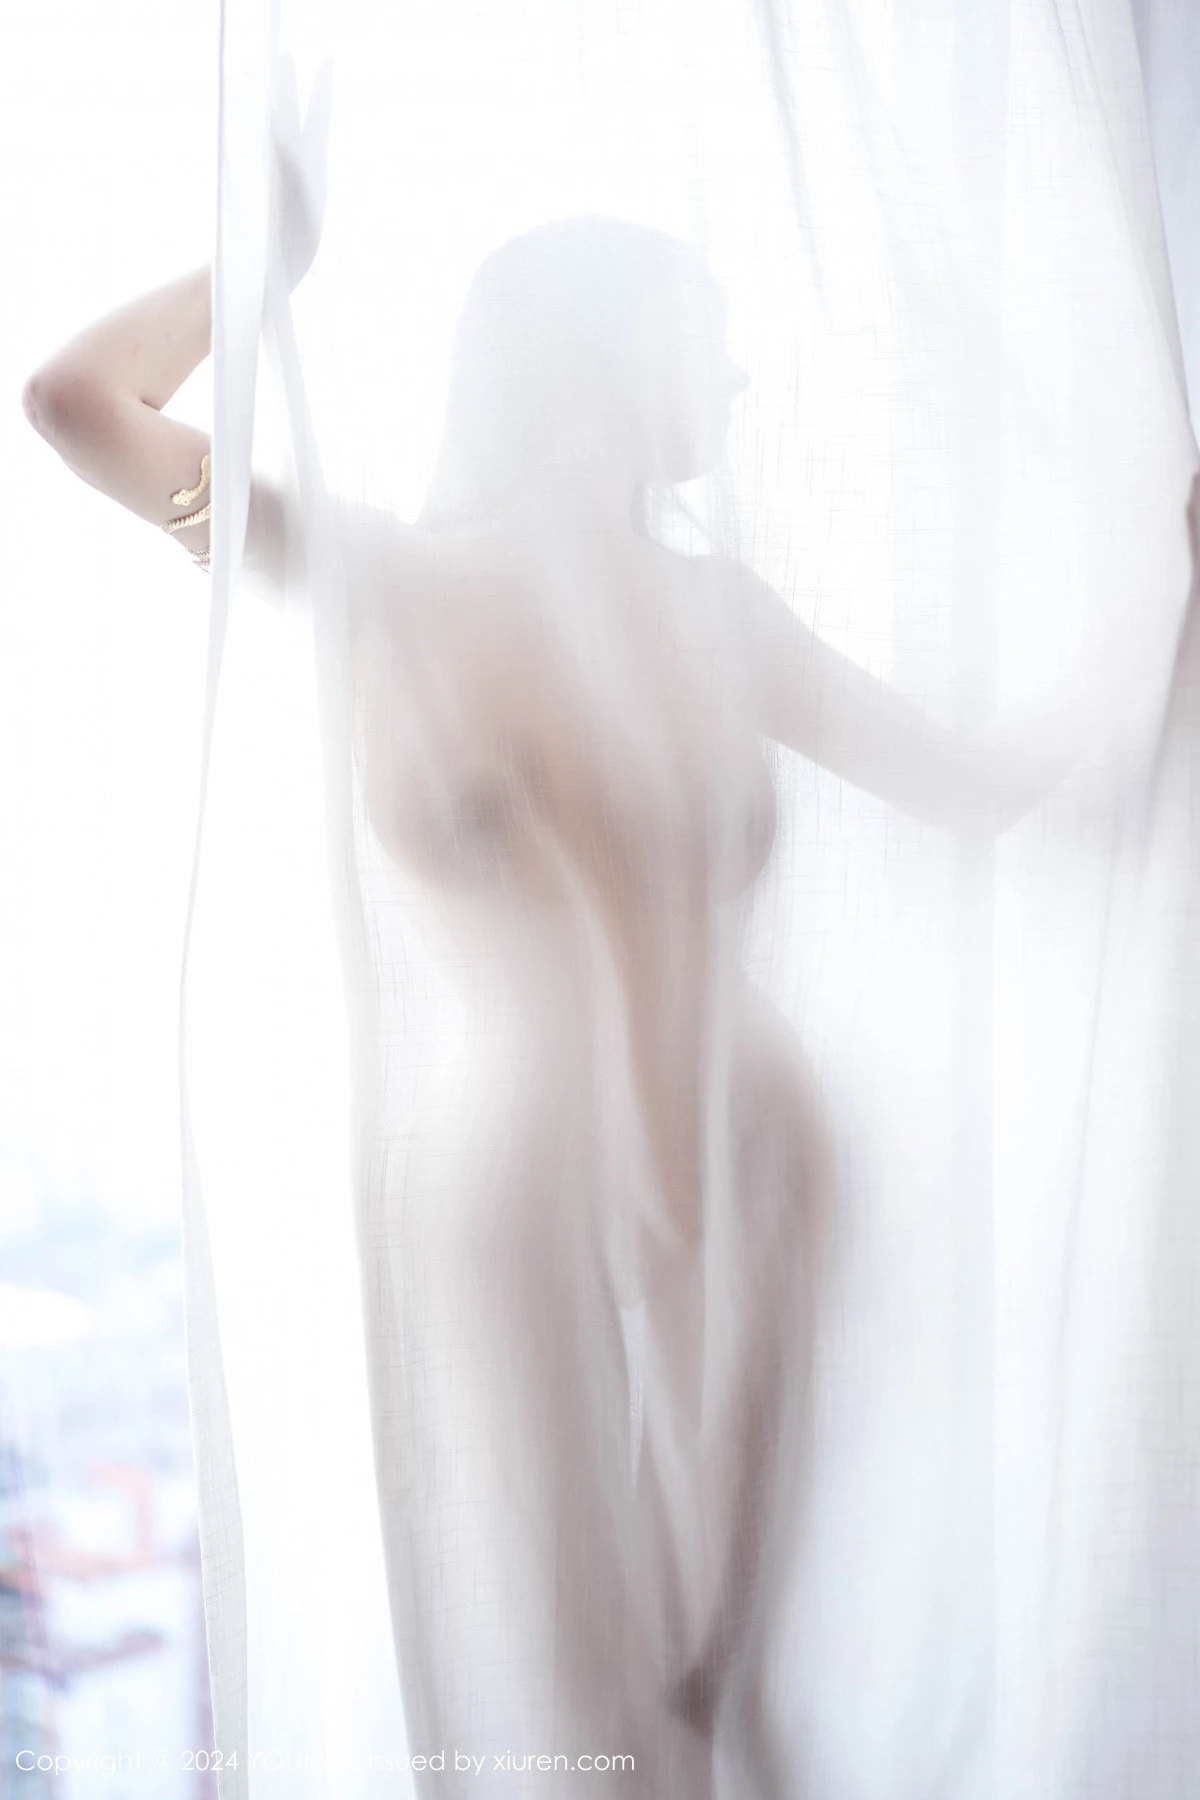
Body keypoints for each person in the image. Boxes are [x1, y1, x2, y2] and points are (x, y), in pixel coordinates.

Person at [22, 218, 1122, 1799]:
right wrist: (262, 256)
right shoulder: (381, 575)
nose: (736, 379)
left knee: (721, 1679)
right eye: (706, 335)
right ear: (598, 355)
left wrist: (1171, 587)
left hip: (761, 1152)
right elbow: (77, 406)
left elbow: (976, 789)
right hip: (524, 1180)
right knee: (579, 1693)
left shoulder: (719, 611)